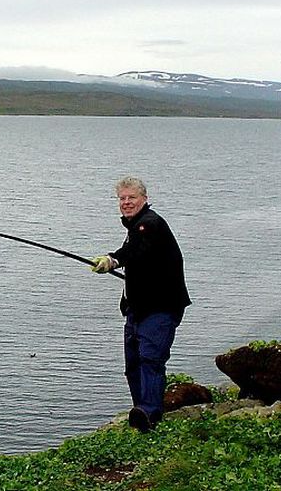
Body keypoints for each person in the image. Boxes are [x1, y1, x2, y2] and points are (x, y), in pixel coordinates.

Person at [92, 176, 191, 432]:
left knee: (150, 359)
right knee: (133, 364)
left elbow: (138, 250)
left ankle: (151, 412)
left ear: (144, 199)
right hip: (137, 309)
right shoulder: (135, 228)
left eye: (131, 197)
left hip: (160, 308)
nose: (126, 202)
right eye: (122, 198)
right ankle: (142, 413)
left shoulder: (150, 224)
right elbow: (139, 256)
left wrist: (112, 260)